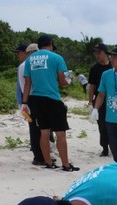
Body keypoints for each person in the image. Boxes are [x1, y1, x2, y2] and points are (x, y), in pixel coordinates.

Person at [22, 34, 79, 172]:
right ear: (51, 44)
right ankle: (66, 165)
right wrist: (71, 78)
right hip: (52, 99)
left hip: (35, 100)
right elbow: (63, 83)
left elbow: (27, 83)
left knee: (44, 132)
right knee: (60, 133)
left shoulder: (29, 60)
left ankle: (48, 163)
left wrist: (24, 102)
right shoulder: (57, 58)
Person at [87, 43, 112, 157]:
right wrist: (90, 102)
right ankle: (105, 148)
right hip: (99, 99)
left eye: (99, 52)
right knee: (102, 125)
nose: (96, 55)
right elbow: (92, 86)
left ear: (105, 53)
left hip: (113, 99)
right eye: (95, 53)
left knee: (116, 123)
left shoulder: (113, 66)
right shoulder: (94, 69)